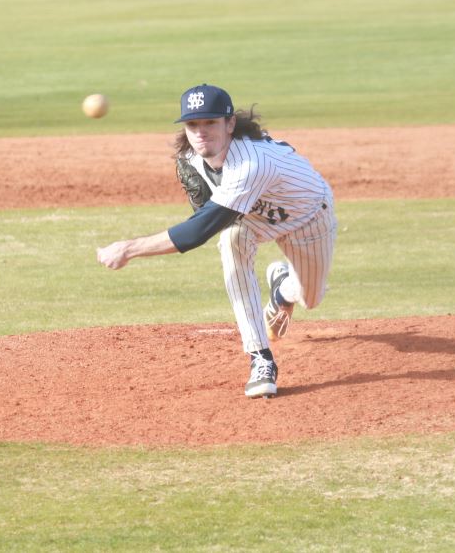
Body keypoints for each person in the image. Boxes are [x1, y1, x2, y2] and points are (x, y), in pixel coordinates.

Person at [96, 84, 337, 398]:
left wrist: (129, 248)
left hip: (307, 217)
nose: (200, 132)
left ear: (230, 124)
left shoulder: (252, 163)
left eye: (210, 122)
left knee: (311, 298)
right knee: (232, 244)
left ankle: (283, 290)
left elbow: (198, 231)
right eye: (193, 124)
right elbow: (207, 212)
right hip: (250, 216)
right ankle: (260, 359)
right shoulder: (189, 158)